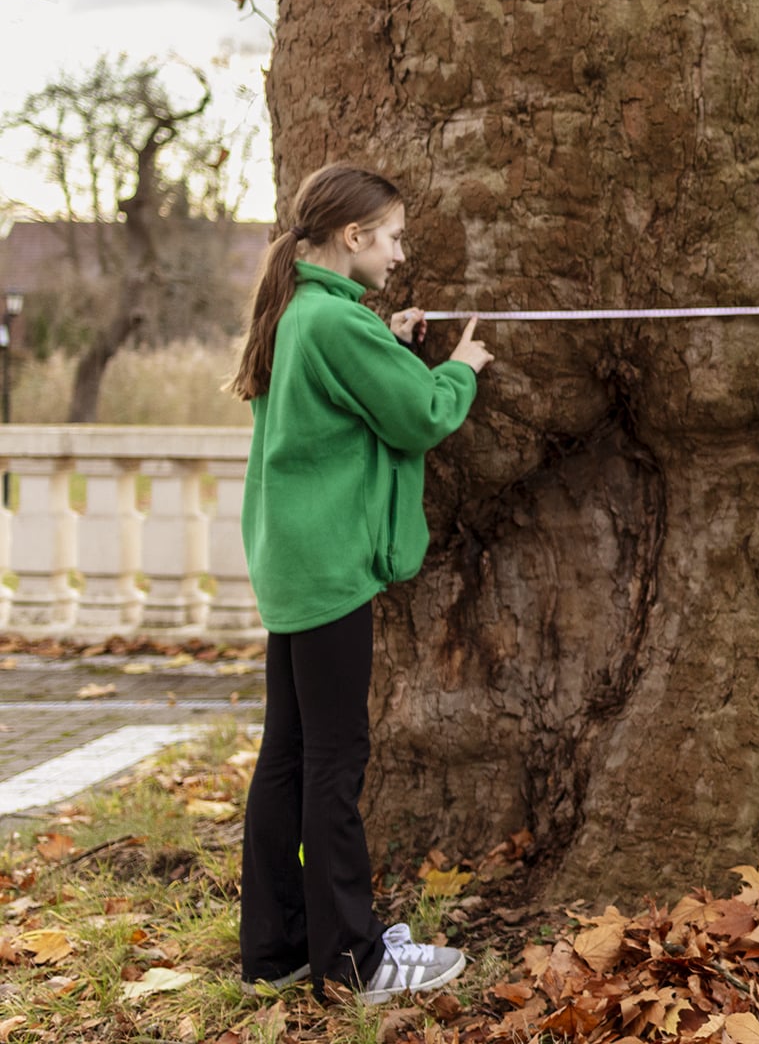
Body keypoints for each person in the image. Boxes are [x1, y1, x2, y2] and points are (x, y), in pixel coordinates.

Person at [229, 164, 494, 1004]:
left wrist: (394, 341)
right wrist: (461, 368)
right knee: (334, 763)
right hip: (329, 568)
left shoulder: (306, 311)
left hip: (293, 562)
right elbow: (418, 416)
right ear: (354, 237)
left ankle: (277, 949)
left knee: (290, 756)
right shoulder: (331, 323)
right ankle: (356, 960)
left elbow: (348, 390)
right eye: (394, 236)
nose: (401, 251)